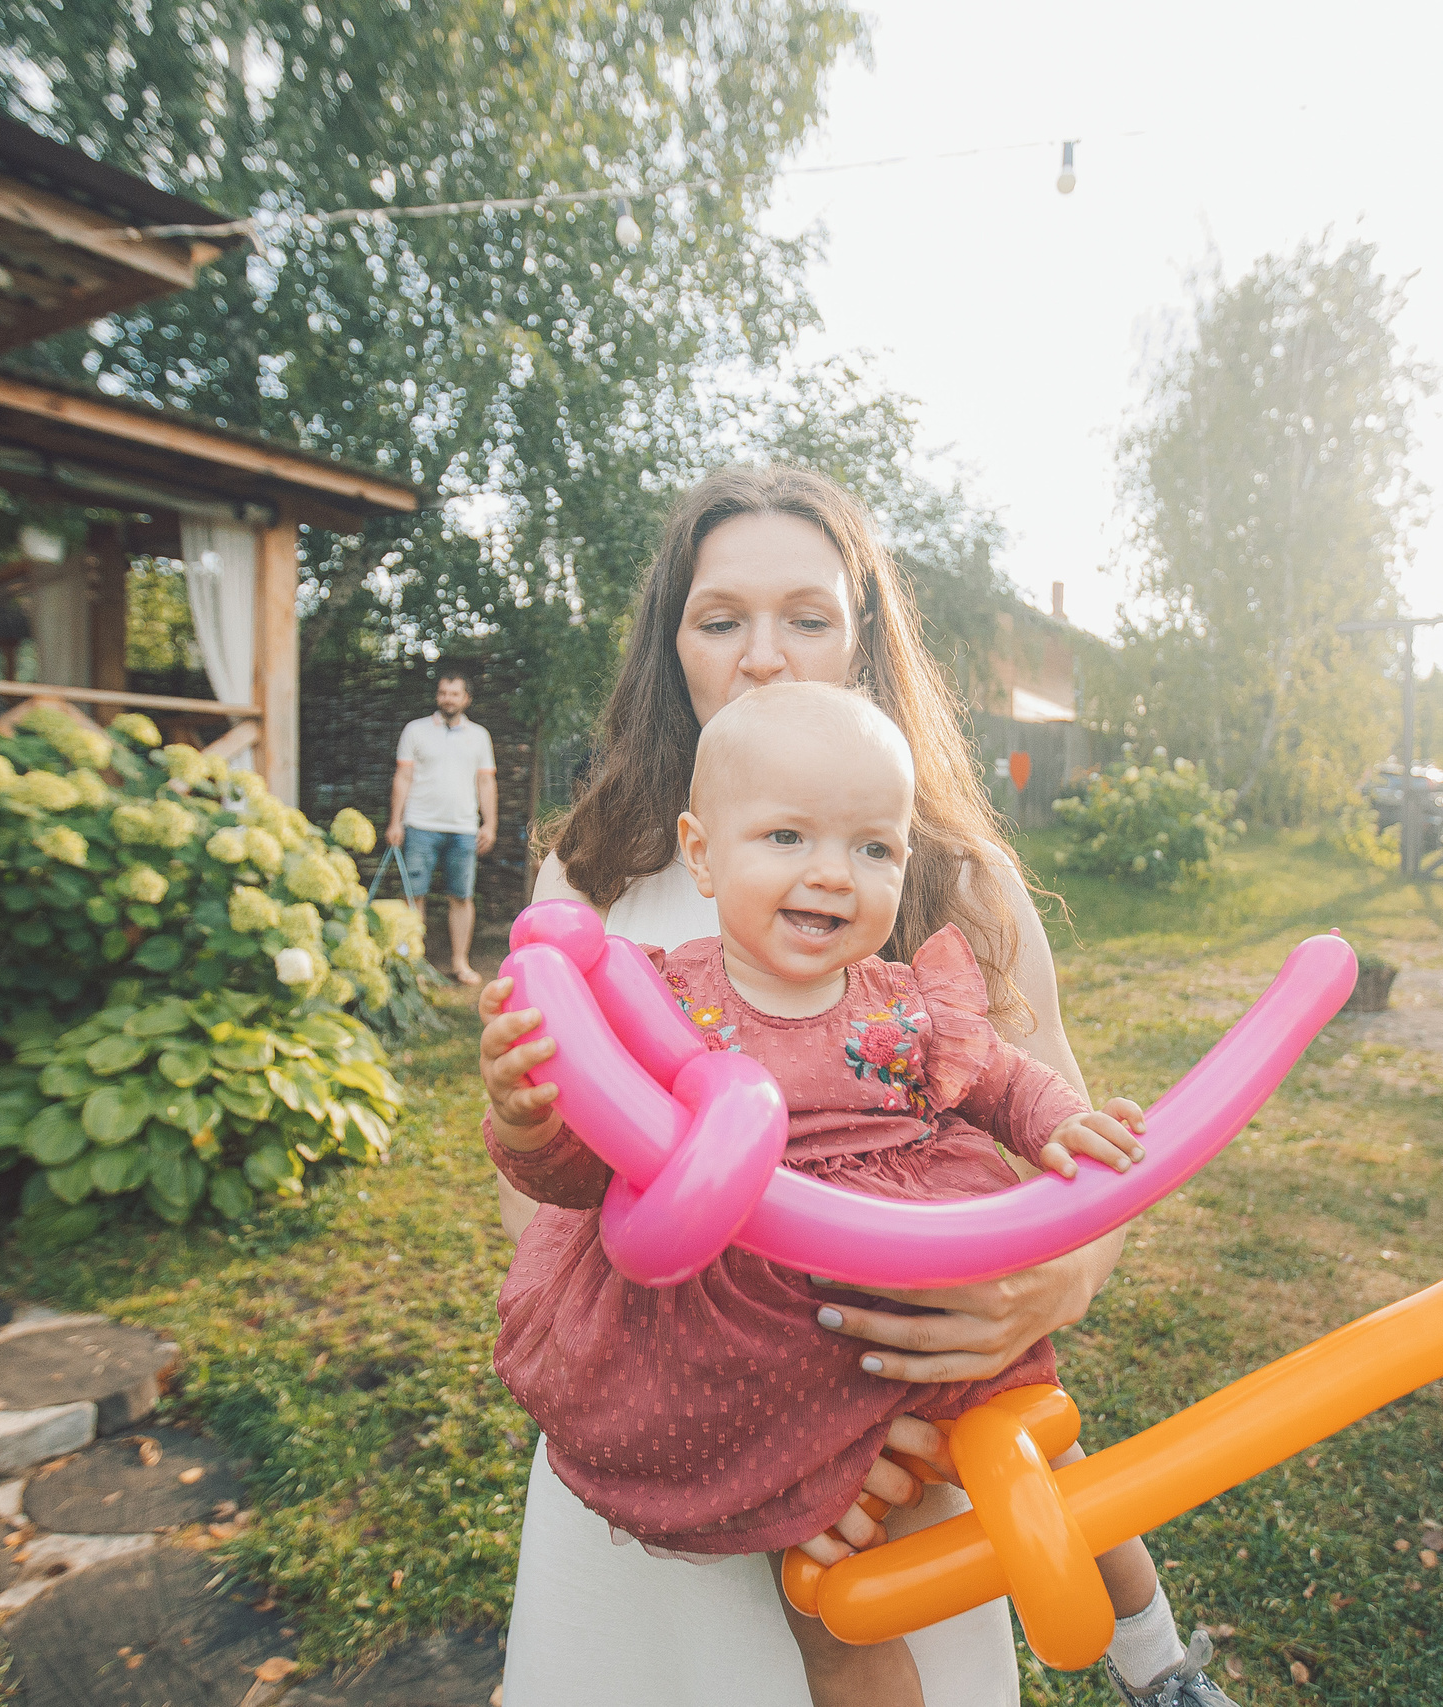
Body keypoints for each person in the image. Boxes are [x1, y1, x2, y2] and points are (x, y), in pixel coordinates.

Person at [478, 464, 1237, 1707]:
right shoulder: (598, 886)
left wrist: (1050, 1280)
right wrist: (759, 1390)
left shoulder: (951, 880)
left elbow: (1072, 1136)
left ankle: (1156, 1665)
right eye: (719, 619)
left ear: (865, 635)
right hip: (678, 1408)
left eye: (807, 617)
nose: (763, 657)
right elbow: (553, 1203)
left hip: (910, 1443)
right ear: (670, 647)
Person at [388, 670, 495, 985]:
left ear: (466, 699)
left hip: (463, 828)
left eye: (454, 693)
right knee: (414, 895)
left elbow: (486, 781)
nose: (447, 698)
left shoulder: (479, 735)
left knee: (461, 897)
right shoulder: (415, 730)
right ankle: (413, 964)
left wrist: (489, 824)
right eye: (443, 693)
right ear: (438, 696)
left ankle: (460, 963)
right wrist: (395, 821)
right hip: (420, 825)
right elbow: (403, 777)